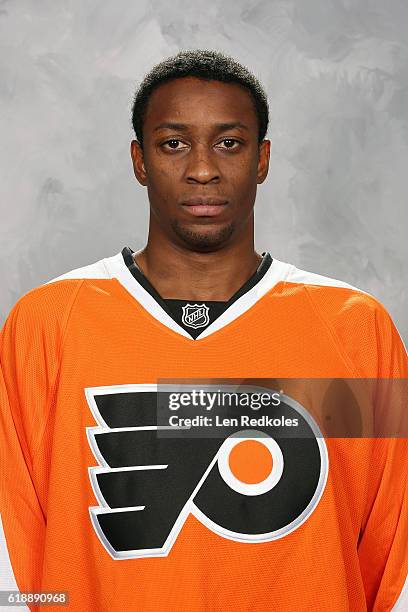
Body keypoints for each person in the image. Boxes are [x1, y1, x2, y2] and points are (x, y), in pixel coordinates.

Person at [0, 49, 407, 612]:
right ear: (139, 160)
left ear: (262, 159)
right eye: (173, 143)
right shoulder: (49, 325)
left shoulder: (356, 331)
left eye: (229, 143)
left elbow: (393, 562)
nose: (202, 169)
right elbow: (15, 556)